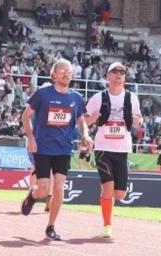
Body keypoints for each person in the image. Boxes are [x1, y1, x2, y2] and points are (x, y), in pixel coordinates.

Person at [20, 59, 92, 241]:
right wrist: (31, 137)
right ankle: (33, 195)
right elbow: (26, 115)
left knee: (59, 188)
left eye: (69, 71)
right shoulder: (43, 94)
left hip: (63, 149)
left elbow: (82, 121)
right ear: (53, 74)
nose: (67, 74)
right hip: (43, 148)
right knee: (44, 190)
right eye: (62, 71)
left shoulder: (76, 98)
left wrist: (85, 135)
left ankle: (50, 226)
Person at [84, 62, 142, 238]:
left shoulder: (131, 98)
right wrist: (92, 119)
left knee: (120, 194)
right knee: (108, 188)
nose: (119, 75)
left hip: (122, 148)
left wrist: (138, 121)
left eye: (122, 72)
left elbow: (139, 118)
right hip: (103, 148)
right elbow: (83, 121)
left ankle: (106, 200)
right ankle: (107, 226)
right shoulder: (98, 97)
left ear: (125, 77)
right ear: (108, 76)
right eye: (115, 72)